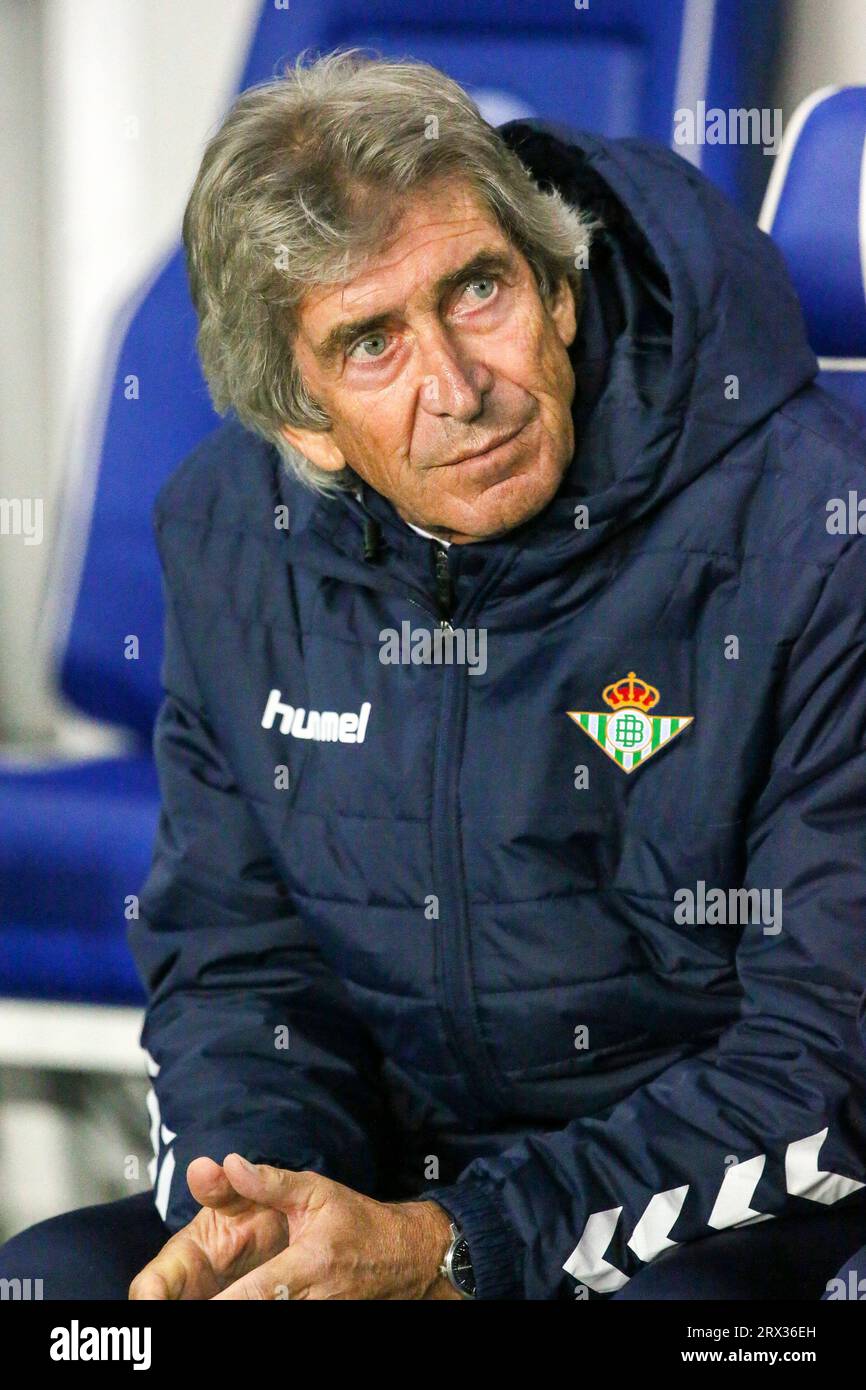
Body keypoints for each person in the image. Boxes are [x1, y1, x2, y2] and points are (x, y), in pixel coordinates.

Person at [3, 48, 866, 1301]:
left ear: (556, 287)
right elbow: (245, 967)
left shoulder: (812, 527)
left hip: (718, 1211)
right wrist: (266, 1207)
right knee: (59, 1299)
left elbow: (821, 1069)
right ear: (300, 416)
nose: (457, 388)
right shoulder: (233, 538)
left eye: (476, 290)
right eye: (368, 344)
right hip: (394, 1190)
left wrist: (458, 1248)